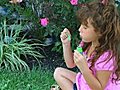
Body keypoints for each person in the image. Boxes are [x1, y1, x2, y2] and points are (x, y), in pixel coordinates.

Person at [53, 0, 120, 90]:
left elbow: (99, 88)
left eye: (85, 27)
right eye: (81, 25)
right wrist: (66, 44)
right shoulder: (86, 44)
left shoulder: (106, 56)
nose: (79, 29)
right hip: (85, 82)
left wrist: (84, 68)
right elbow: (70, 64)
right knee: (58, 73)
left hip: (97, 87)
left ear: (100, 32)